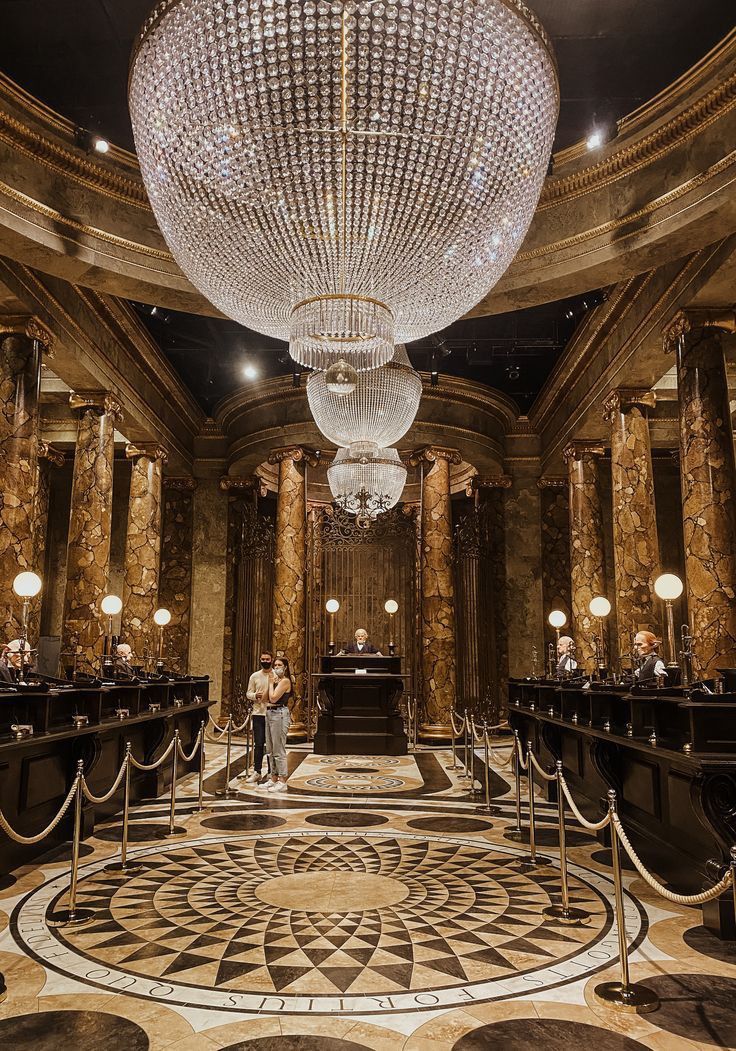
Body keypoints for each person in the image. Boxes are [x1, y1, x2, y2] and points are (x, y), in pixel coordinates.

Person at [239, 650, 273, 784]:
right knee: (258, 744)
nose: (265, 661)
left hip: (271, 713)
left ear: (271, 660)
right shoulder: (255, 676)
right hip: (258, 713)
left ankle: (271, 772)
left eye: (267, 659)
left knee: (271, 745)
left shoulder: (275, 675)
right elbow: (248, 693)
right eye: (263, 659)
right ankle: (257, 771)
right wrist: (255, 696)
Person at [260, 656, 292, 793]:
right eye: (275, 665)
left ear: (285, 667)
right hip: (269, 713)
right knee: (270, 749)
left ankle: (282, 780)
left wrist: (272, 685)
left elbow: (273, 698)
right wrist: (270, 682)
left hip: (280, 714)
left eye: (279, 665)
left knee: (279, 749)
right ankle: (272, 777)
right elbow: (264, 698)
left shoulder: (285, 681)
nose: (277, 667)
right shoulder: (274, 681)